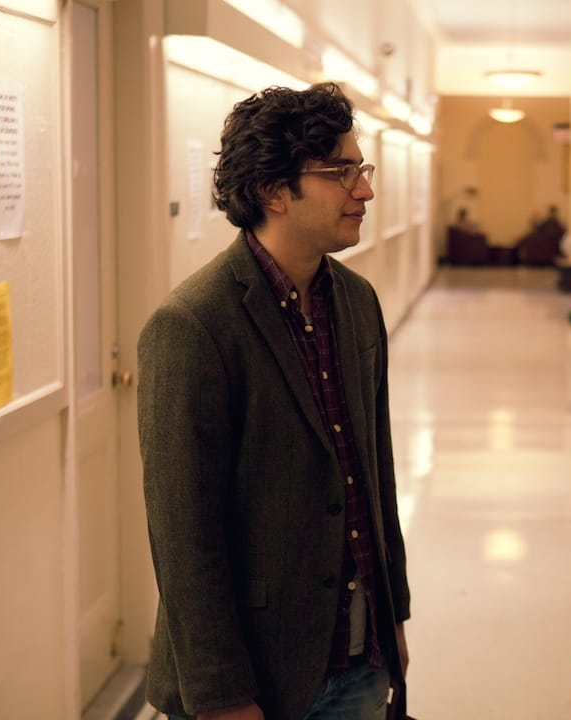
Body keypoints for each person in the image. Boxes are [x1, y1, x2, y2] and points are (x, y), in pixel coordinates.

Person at [137, 82, 411, 720]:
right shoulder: (194, 325)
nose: (364, 189)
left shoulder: (356, 300)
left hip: (359, 660)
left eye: (361, 168)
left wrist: (391, 615)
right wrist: (222, 696)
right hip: (254, 679)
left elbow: (376, 474)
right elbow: (182, 533)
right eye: (341, 172)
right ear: (272, 191)